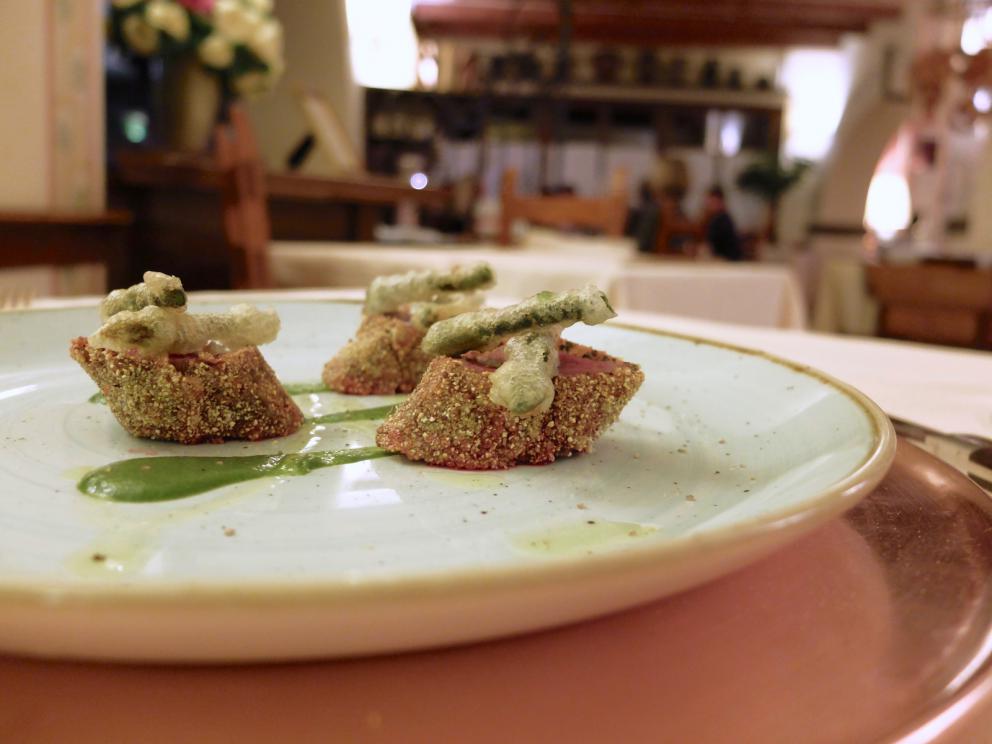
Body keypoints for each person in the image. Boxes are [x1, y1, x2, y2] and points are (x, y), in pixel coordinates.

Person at [702, 186, 742, 261]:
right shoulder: (720, 218)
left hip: (727, 261)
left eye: (713, 202)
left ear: (721, 202)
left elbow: (712, 247)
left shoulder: (721, 221)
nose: (709, 205)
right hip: (725, 259)